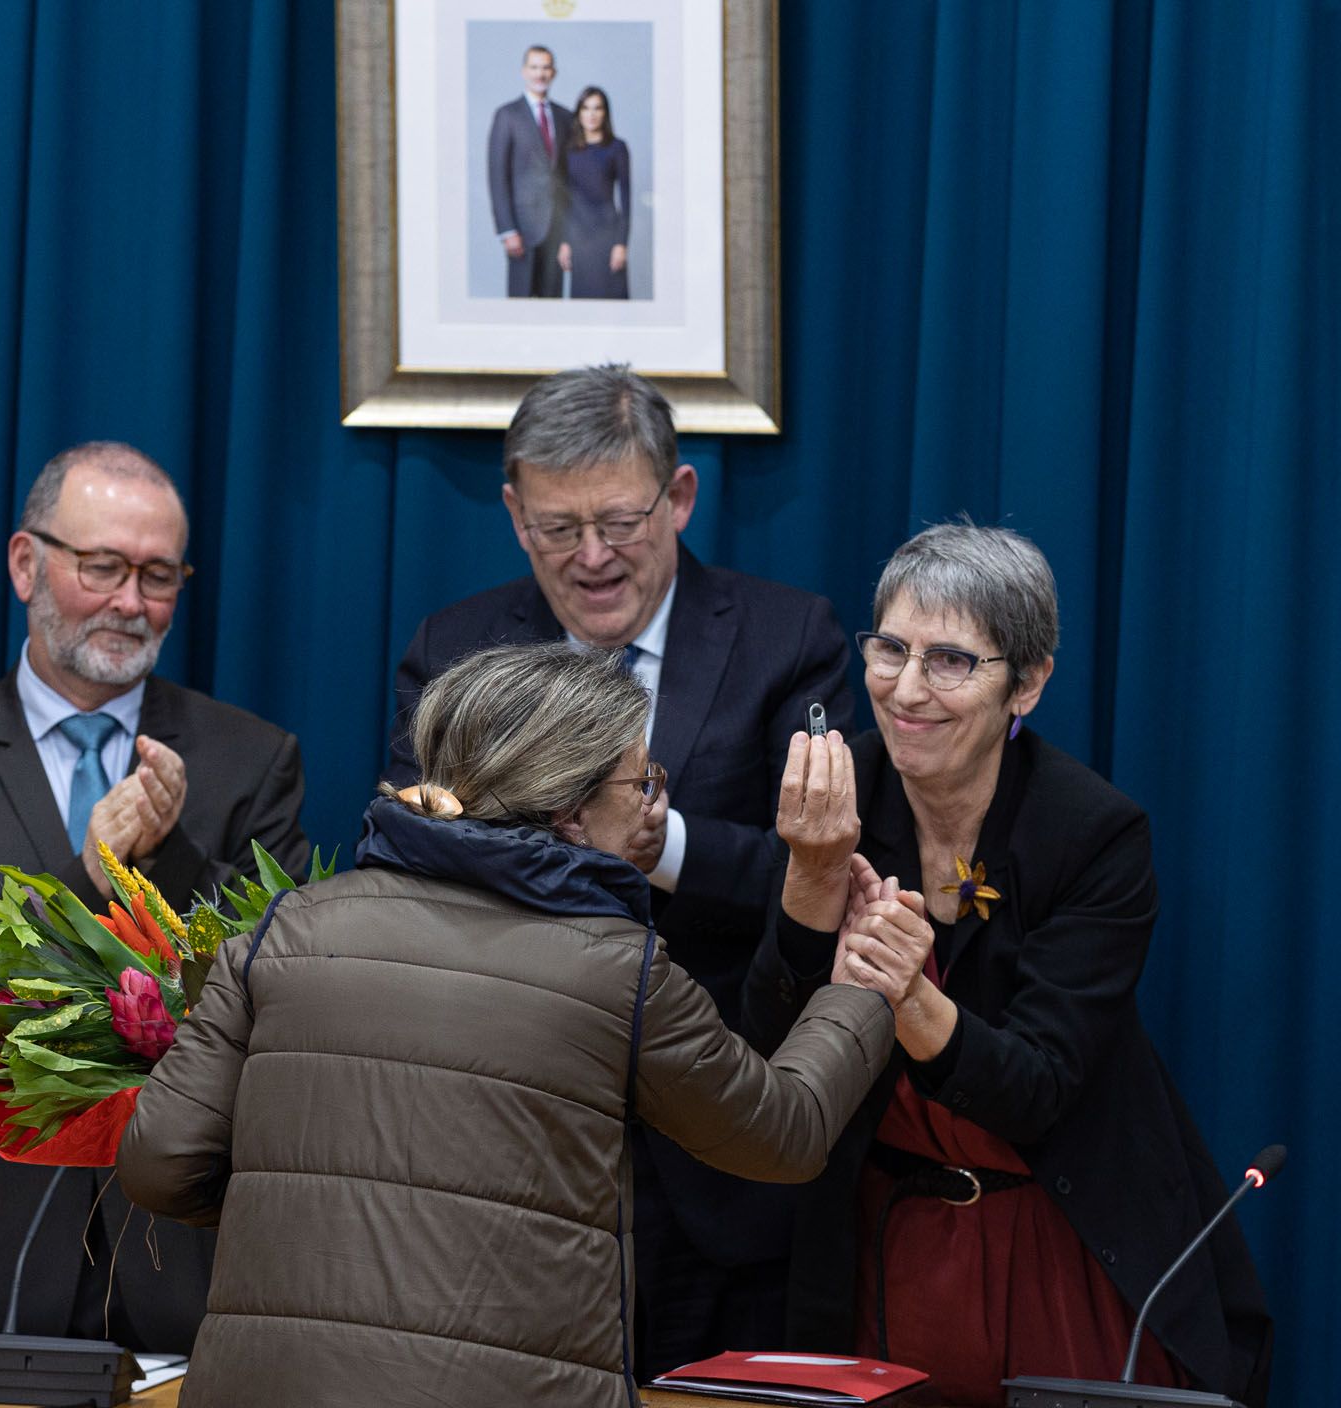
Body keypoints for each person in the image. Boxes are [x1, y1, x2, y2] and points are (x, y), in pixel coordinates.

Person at [119, 642, 904, 1407]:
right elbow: (781, 1134)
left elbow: (157, 1163)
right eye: (642, 783)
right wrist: (862, 988)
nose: (653, 808)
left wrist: (314, 1204)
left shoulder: (285, 930)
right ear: (570, 809)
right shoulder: (618, 971)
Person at [388, 363, 853, 1371]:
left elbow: (821, 860)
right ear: (514, 515)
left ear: (679, 497)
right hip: (509, 1140)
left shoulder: (788, 639)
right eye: (559, 527)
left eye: (620, 520)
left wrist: (667, 848)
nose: (592, 556)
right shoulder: (456, 649)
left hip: (714, 1155)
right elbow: (407, 843)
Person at [745, 523, 1272, 1406]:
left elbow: (1037, 1086)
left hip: (1057, 1232)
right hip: (884, 1238)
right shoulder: (844, 787)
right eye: (890, 650)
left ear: (1027, 681)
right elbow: (769, 1048)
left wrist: (910, 994)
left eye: (950, 661)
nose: (907, 690)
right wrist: (811, 876)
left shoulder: (1093, 833)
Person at [0, 441, 309, 1353]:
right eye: (103, 568)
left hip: (177, 1247)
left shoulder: (251, 759)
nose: (131, 603)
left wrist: (164, 861)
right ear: (27, 563)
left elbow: (279, 987)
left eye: (158, 576)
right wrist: (84, 884)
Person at [486, 44, 572, 298]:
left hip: (556, 230)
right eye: (534, 67)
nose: (540, 74)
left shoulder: (566, 116)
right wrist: (507, 230)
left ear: (553, 73)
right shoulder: (507, 115)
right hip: (521, 230)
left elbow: (569, 178)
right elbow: (497, 177)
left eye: (546, 67)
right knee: (520, 307)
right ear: (524, 71)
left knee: (553, 309)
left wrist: (570, 234)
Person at [558, 85, 631, 300]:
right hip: (579, 238)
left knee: (614, 305)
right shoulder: (569, 150)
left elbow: (626, 201)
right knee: (583, 303)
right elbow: (565, 200)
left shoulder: (617, 148)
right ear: (579, 113)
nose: (591, 114)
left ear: (605, 113)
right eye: (586, 108)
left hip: (608, 236)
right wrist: (564, 242)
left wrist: (621, 243)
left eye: (597, 108)